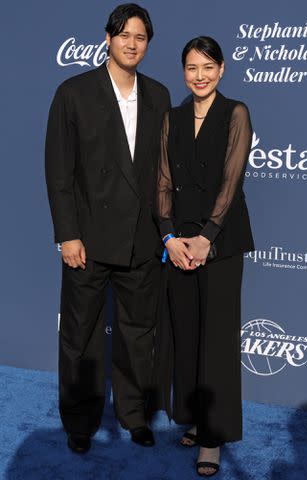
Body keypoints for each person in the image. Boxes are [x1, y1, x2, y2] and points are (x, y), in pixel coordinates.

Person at [45, 3, 170, 453]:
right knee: (80, 336)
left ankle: (134, 415)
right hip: (88, 239)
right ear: (109, 39)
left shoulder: (158, 95)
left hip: (142, 240)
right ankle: (80, 423)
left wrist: (166, 232)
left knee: (139, 336)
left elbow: (161, 173)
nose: (132, 44)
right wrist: (67, 234)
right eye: (124, 36)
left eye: (140, 37)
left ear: (147, 44)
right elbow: (59, 171)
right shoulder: (73, 92)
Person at [157, 36, 254, 476]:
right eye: (192, 68)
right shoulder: (172, 118)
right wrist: (169, 237)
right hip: (179, 243)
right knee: (187, 334)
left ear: (222, 70)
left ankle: (212, 438)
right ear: (184, 72)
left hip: (222, 241)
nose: (200, 76)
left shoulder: (235, 113)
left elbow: (232, 180)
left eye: (208, 67)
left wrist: (207, 238)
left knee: (215, 340)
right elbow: (161, 180)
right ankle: (195, 419)